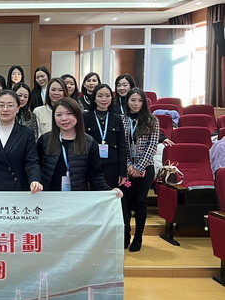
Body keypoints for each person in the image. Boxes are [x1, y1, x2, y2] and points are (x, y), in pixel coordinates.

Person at [37, 97, 122, 196]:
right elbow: (37, 168)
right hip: (48, 197)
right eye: (59, 115)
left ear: (77, 115)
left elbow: (95, 175)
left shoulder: (89, 142)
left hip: (78, 198)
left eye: (69, 113)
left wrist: (109, 191)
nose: (64, 118)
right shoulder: (45, 140)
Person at [0, 90, 42, 192]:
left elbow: (31, 161)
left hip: (17, 188)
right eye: (1, 105)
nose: (5, 109)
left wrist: (34, 180)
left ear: (18, 108)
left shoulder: (27, 133)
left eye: (10, 105)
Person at [121, 88, 159, 252]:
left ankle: (138, 237)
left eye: (139, 100)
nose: (136, 104)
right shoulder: (122, 119)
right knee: (127, 203)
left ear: (144, 102)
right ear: (127, 101)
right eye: (133, 100)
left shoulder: (152, 120)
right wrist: (129, 165)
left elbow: (152, 146)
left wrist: (138, 167)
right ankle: (126, 234)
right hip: (126, 168)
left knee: (140, 201)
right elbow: (121, 145)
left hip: (145, 168)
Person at [83, 84, 128, 189]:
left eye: (107, 96)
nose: (104, 99)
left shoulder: (117, 118)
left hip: (111, 165)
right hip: (90, 163)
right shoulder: (85, 117)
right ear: (94, 98)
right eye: (100, 96)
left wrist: (123, 172)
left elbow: (122, 146)